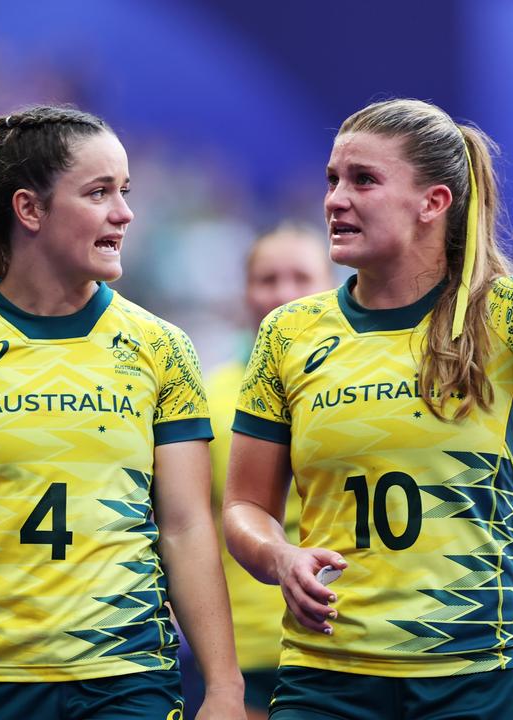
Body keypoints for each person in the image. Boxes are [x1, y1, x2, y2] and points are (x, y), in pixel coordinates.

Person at [222, 66, 513, 719]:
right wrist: (277, 555)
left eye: (363, 180)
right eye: (331, 180)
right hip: (329, 677)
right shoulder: (288, 333)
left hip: (480, 675)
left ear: (433, 202)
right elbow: (244, 505)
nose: (335, 199)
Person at [0, 105, 245, 720]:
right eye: (99, 193)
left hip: (129, 679)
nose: (124, 214)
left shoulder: (162, 348)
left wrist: (225, 687)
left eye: (125, 192)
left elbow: (185, 526)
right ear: (30, 209)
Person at [205, 224, 336, 719]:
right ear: (244, 292)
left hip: (347, 640)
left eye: (301, 277)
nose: (284, 294)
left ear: (331, 284)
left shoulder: (367, 391)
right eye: (267, 279)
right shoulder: (207, 395)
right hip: (245, 648)